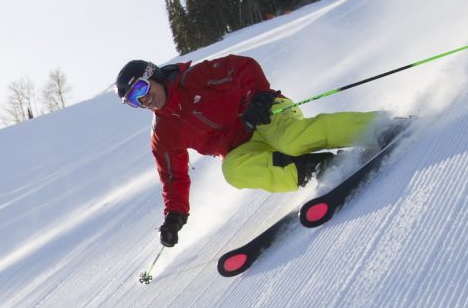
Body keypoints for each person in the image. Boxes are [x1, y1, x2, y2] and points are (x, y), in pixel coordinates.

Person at [115, 56, 391, 248]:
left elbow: (241, 67)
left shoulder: (194, 78)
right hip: (243, 145)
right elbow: (174, 177)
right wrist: (175, 215)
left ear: (153, 75)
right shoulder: (163, 134)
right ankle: (315, 168)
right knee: (232, 170)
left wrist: (258, 96)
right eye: (133, 101)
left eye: (141, 88)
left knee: (291, 140)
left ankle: (378, 127)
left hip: (264, 113)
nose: (143, 99)